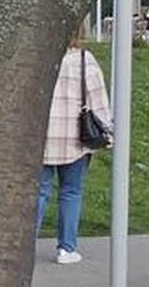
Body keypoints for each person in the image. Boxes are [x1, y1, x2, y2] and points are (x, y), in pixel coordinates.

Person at [36, 26, 112, 264]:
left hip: (41, 136)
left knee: (39, 192)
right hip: (75, 138)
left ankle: (25, 245)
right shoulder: (84, 59)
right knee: (71, 191)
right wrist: (108, 131)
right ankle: (66, 248)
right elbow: (97, 99)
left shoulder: (38, 55)